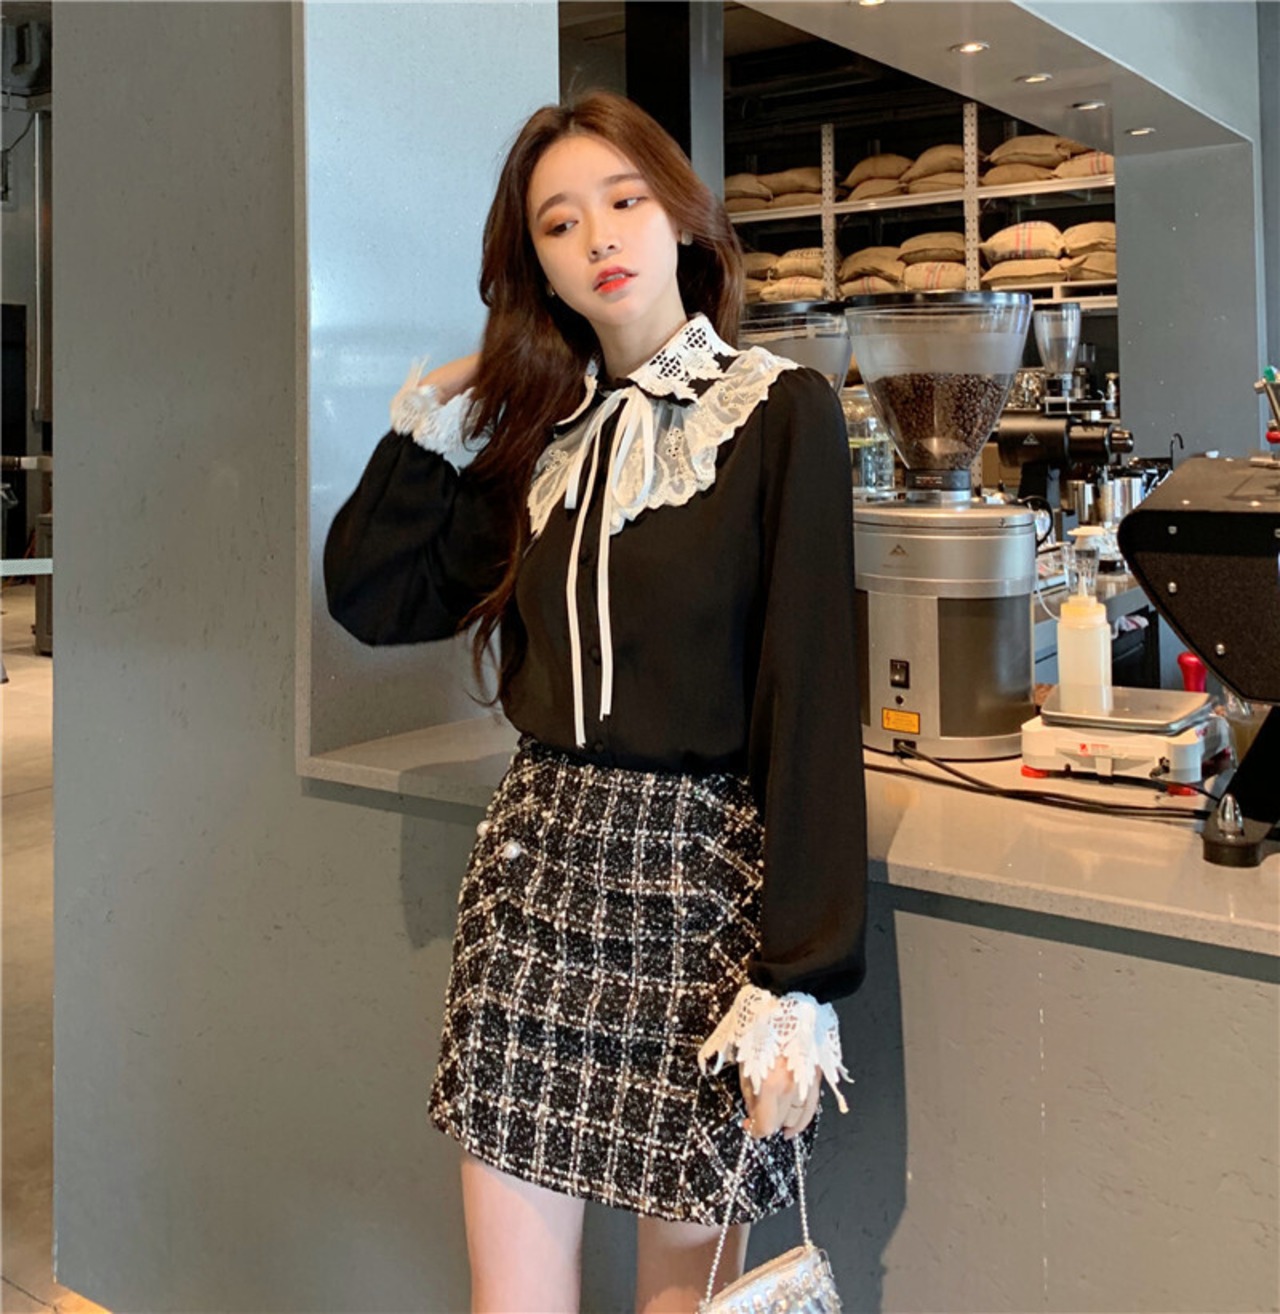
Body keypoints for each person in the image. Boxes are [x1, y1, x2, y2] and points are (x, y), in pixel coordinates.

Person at [324, 91, 867, 1314]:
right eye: (557, 224)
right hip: (536, 882)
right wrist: (452, 396)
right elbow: (374, 594)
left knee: (684, 1301)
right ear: (537, 266)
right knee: (510, 1298)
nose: (598, 238)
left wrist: (799, 978)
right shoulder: (542, 440)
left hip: (703, 899)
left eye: (623, 201)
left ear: (681, 218)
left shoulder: (776, 410)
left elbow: (809, 695)